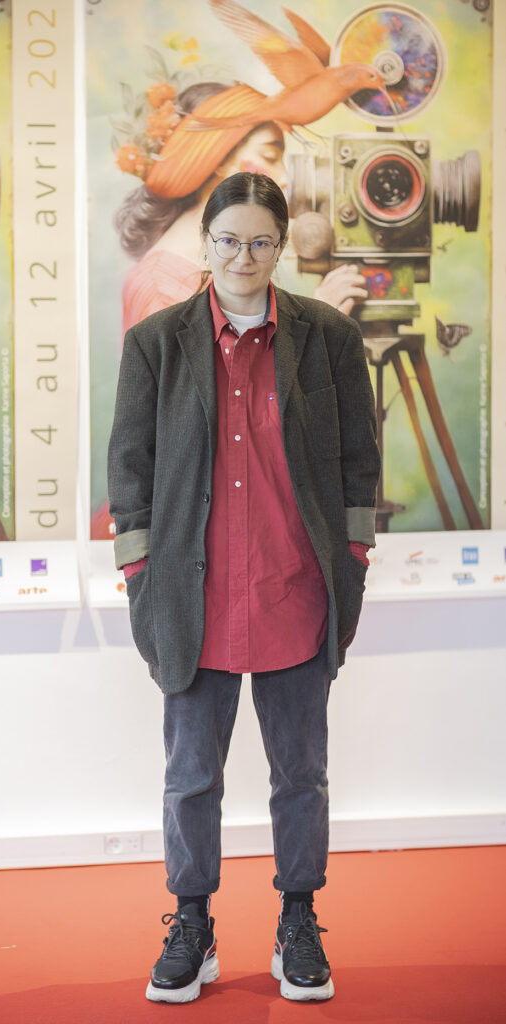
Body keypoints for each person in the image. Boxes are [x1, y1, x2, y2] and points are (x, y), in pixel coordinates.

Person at [107, 171, 381, 1004]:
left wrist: (352, 559)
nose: (243, 257)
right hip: (193, 598)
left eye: (261, 241)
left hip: (295, 589)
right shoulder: (156, 343)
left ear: (280, 246)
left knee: (300, 774)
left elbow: (358, 462)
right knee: (191, 777)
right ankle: (191, 923)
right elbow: (129, 468)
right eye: (228, 240)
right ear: (207, 242)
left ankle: (298, 919)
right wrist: (138, 573)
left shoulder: (327, 337)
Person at [92, 81, 367, 539]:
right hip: (190, 528)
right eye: (270, 155)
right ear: (218, 156)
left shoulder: (217, 272)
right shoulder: (163, 289)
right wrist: (311, 334)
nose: (284, 178)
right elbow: (221, 430)